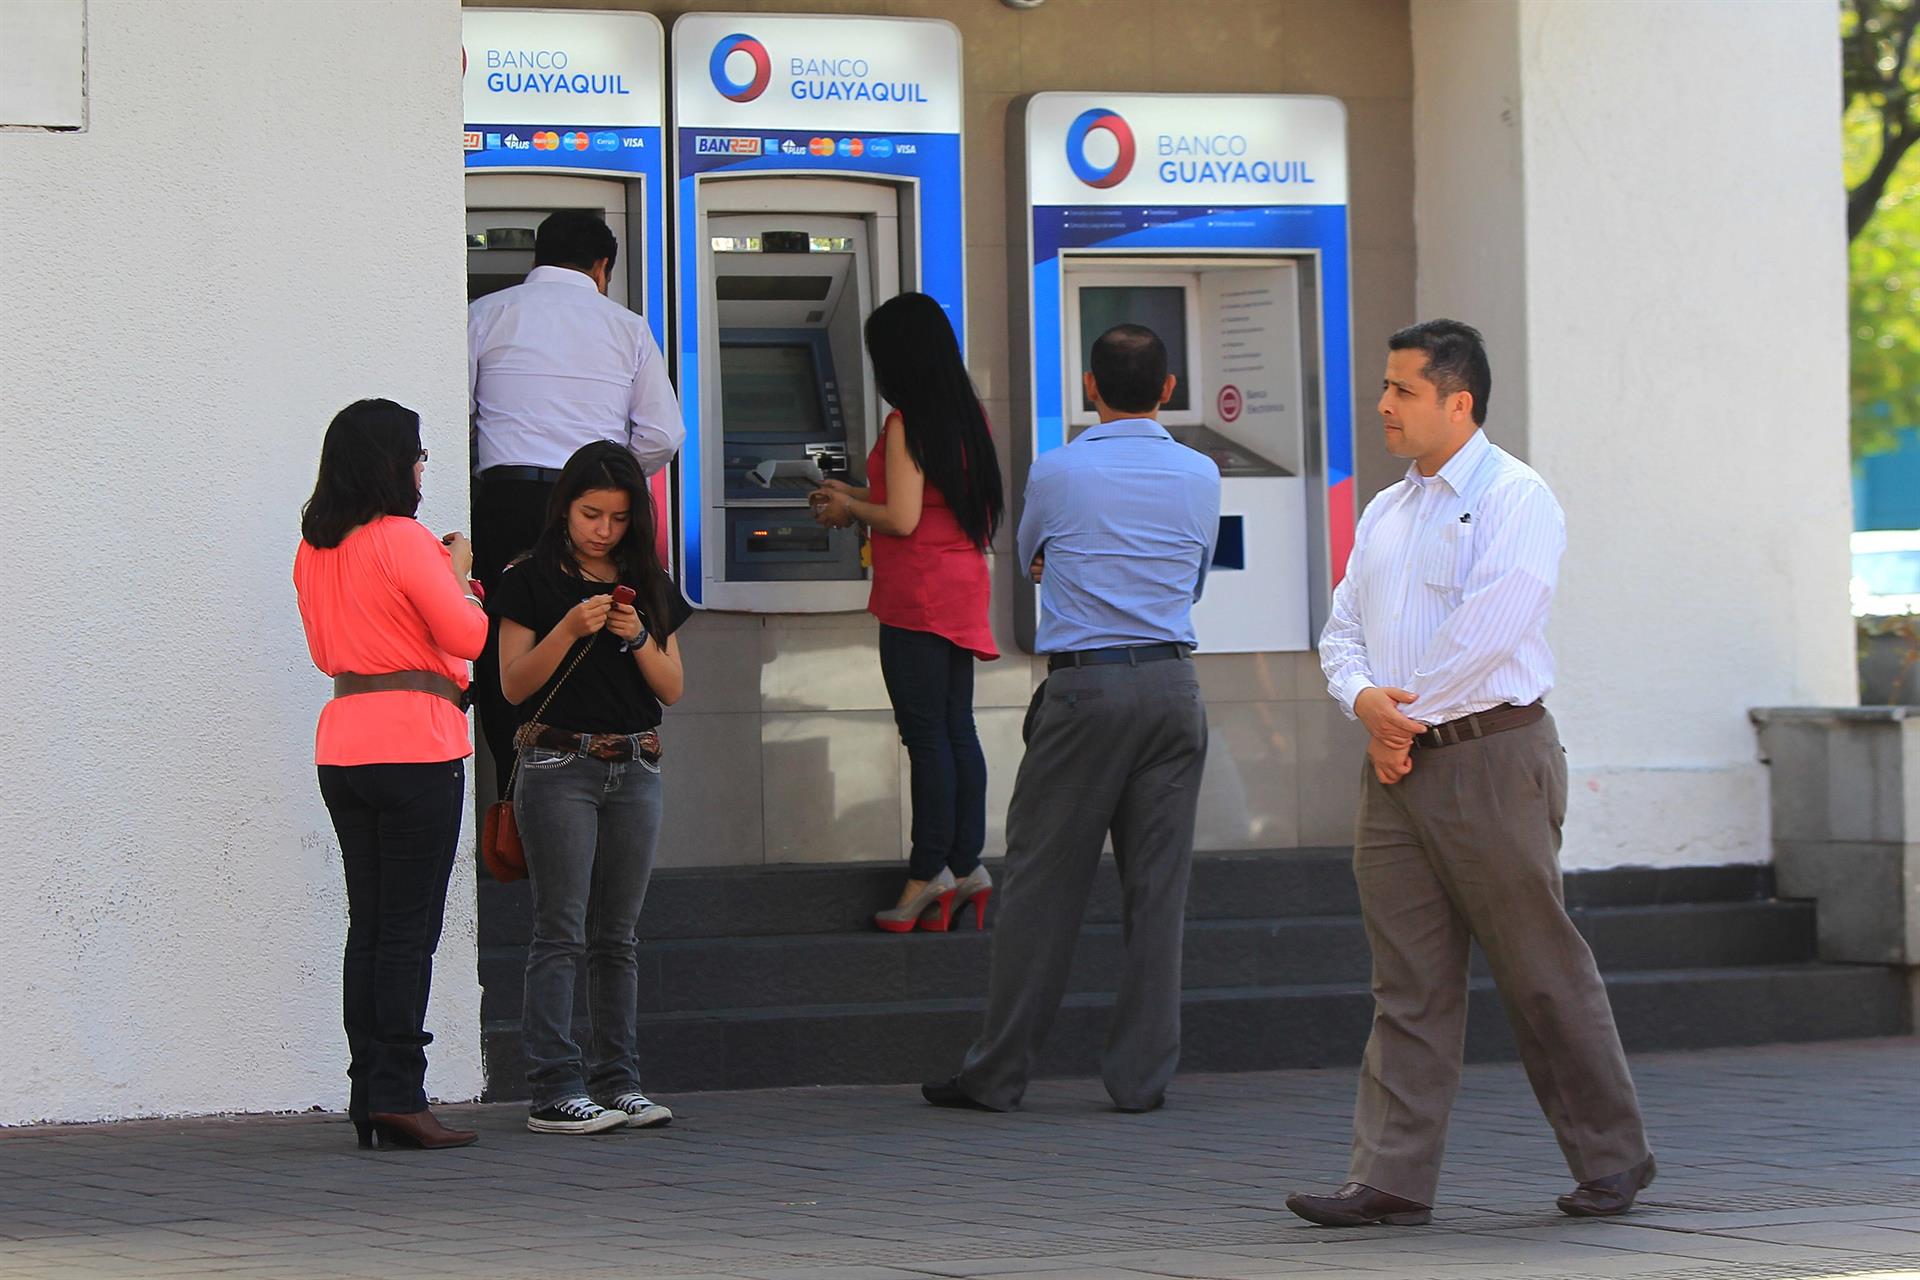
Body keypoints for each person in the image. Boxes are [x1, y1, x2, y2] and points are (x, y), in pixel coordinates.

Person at [1289, 319, 1653, 1227]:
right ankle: (1391, 1179)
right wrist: (1367, 704)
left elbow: (1493, 627)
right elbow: (1341, 630)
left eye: (1403, 391)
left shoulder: (1516, 497)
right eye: (1384, 387)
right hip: (1397, 767)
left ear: (1460, 402)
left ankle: (1613, 1161)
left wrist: (1395, 720)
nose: (1383, 405)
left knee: (1539, 970)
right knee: (1407, 981)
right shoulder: (1385, 509)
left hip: (1491, 758)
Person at [921, 324, 1220, 1114]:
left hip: (1085, 691)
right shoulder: (1200, 471)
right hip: (1172, 687)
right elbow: (1192, 584)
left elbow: (1029, 561)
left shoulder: (1057, 470)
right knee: (1158, 895)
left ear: (1090, 387)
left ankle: (997, 1074)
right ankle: (1141, 1081)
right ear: (1167, 388)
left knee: (1041, 890)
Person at [294, 399, 486, 1151]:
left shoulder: (314, 550)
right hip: (419, 746)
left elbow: (321, 653)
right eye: (416, 455)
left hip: (343, 746)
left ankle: (368, 1091)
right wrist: (460, 575)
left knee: (369, 927)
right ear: (391, 462)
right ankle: (401, 1094)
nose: (420, 467)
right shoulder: (406, 541)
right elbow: (467, 634)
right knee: (409, 931)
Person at [492, 441, 691, 1135]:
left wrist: (637, 637)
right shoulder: (529, 577)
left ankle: (620, 1080)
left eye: (615, 515)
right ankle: (554, 1086)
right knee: (561, 929)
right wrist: (570, 628)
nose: (602, 529)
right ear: (564, 509)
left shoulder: (647, 582)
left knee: (619, 936)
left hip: (636, 765)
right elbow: (511, 684)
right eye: (589, 513)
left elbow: (673, 686)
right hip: (558, 765)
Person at [468, 209, 686, 793]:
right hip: (594, 505)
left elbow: (454, 411)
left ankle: (516, 799)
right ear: (602, 268)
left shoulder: (486, 313)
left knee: (506, 647)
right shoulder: (628, 327)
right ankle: (589, 792)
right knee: (600, 637)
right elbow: (665, 435)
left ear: (537, 258)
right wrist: (605, 481)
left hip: (508, 503)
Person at [809, 292, 1005, 933]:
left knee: (927, 736)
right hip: (960, 584)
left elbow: (901, 516)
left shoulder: (905, 422)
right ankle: (967, 864)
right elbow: (922, 497)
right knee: (956, 729)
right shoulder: (964, 416)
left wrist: (846, 511)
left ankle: (927, 875)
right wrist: (855, 491)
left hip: (917, 594)